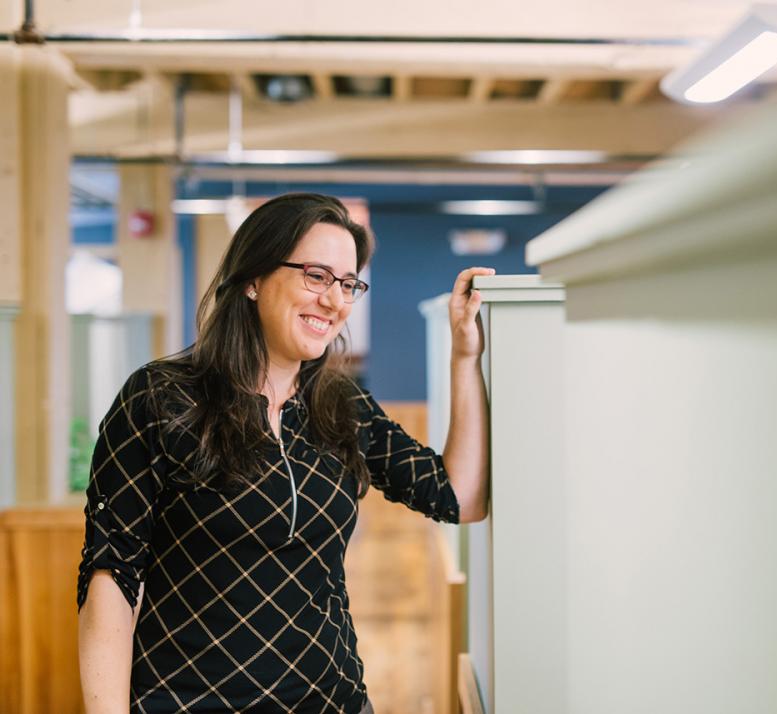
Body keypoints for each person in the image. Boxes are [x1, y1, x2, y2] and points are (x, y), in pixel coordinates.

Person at [77, 193, 492, 713]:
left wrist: (464, 355)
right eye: (316, 276)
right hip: (184, 701)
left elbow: (459, 496)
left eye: (348, 284)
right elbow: (112, 576)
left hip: (331, 700)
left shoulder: (342, 407)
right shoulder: (161, 398)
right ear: (253, 278)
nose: (335, 301)